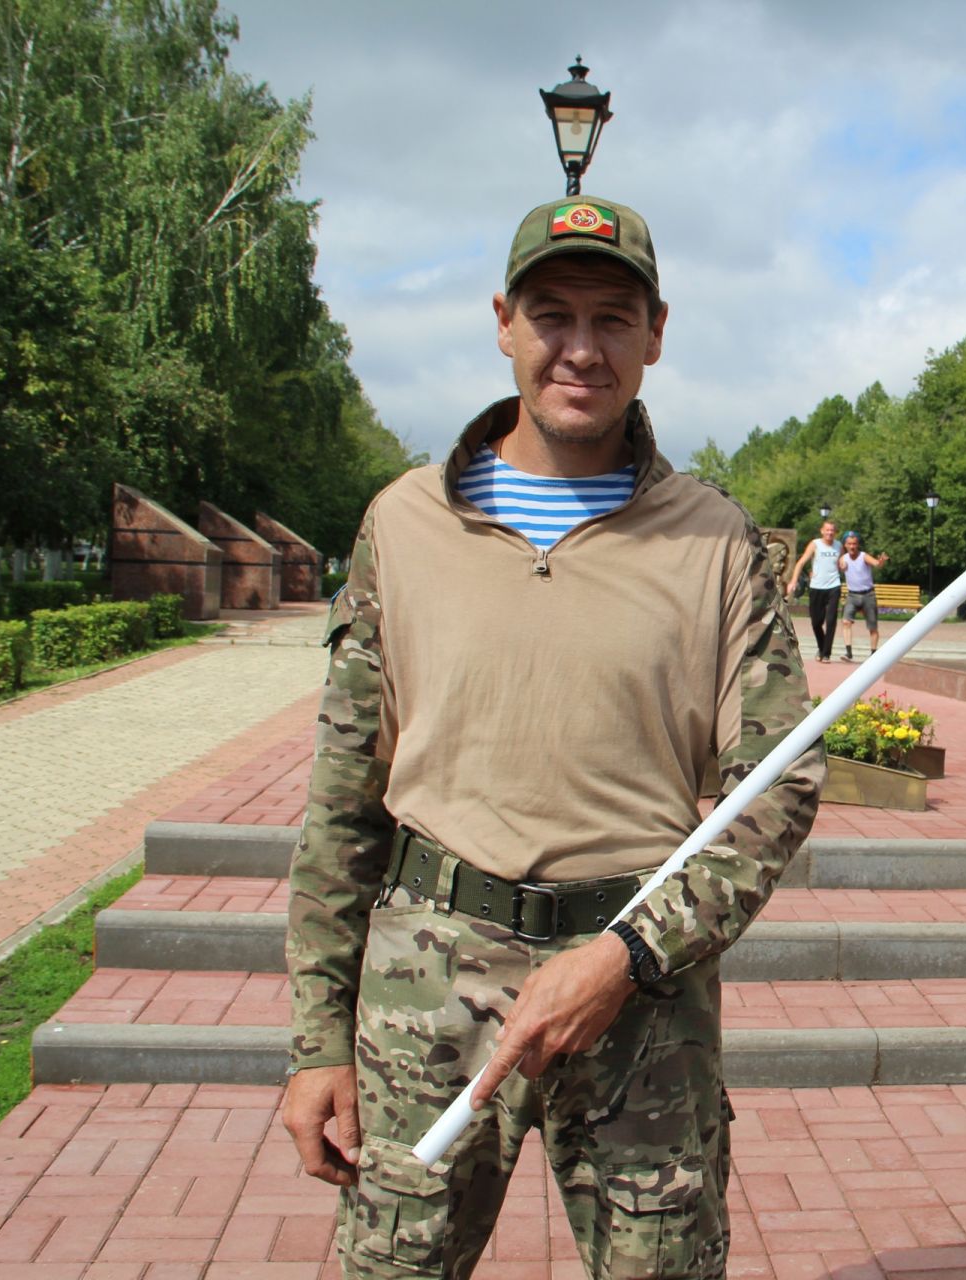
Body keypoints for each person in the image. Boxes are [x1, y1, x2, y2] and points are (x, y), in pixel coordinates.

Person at [280, 193, 823, 1280]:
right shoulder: (404, 523)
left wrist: (625, 955)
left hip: (641, 1001)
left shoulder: (714, 538)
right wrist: (316, 1041)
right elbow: (345, 795)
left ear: (656, 333)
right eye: (552, 314)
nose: (582, 347)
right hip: (426, 990)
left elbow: (776, 785)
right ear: (503, 321)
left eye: (614, 319)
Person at [786, 517, 842, 663]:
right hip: (817, 586)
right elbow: (801, 562)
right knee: (816, 622)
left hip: (834, 586)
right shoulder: (815, 544)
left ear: (835, 532)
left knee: (831, 621)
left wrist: (844, 566)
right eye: (827, 530)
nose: (830, 533)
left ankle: (826, 654)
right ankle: (821, 647)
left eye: (832, 530)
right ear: (822, 531)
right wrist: (793, 581)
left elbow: (842, 563)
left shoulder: (838, 545)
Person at [836, 531, 889, 660]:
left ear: (858, 544)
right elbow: (840, 568)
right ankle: (848, 652)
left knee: (872, 626)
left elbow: (876, 564)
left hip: (868, 594)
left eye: (854, 544)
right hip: (852, 595)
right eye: (849, 544)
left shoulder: (863, 556)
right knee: (846, 622)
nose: (852, 546)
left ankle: (873, 653)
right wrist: (840, 567)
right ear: (845, 545)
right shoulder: (844, 558)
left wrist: (881, 561)